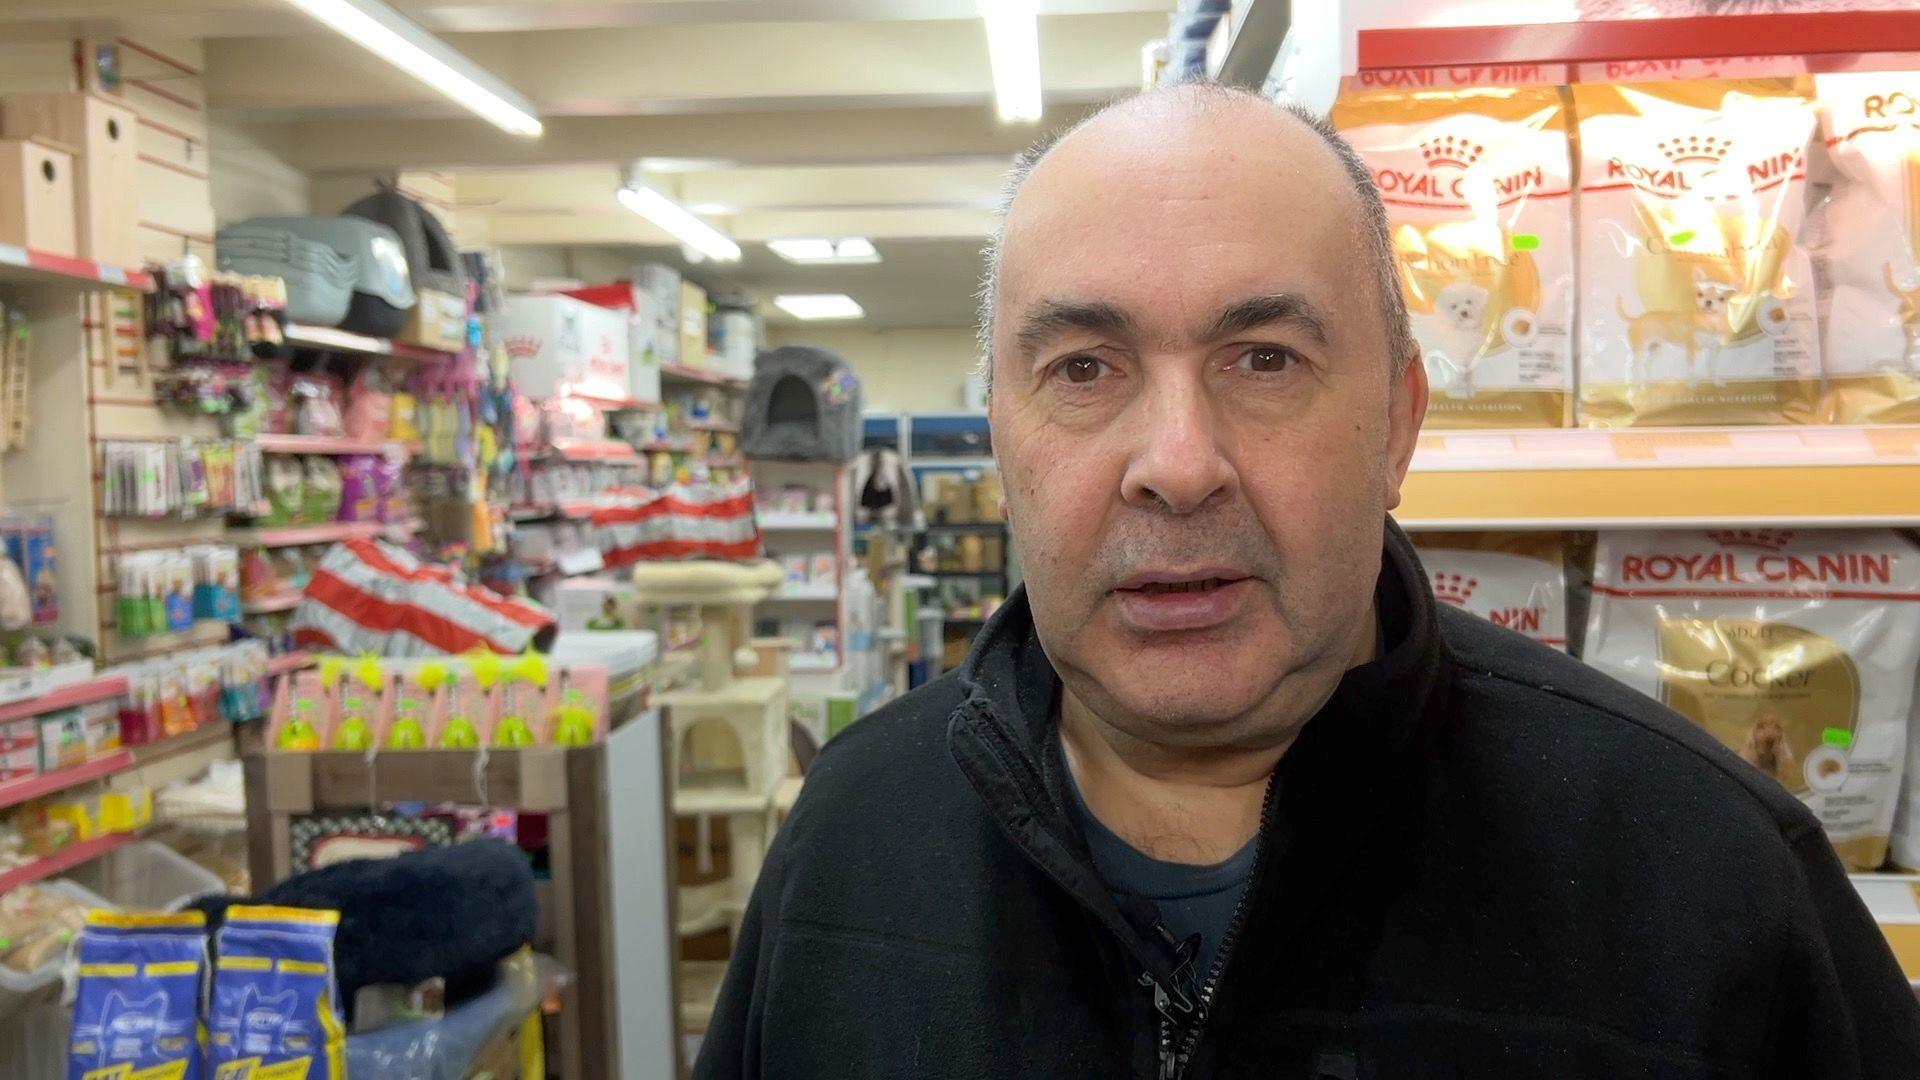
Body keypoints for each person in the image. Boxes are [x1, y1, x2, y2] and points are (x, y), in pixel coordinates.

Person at [694, 83, 1920, 1079]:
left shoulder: (1706, 879)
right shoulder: (848, 842)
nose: (1177, 467)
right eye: (1083, 369)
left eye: (1265, 358)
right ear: (1003, 442)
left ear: (1397, 424)